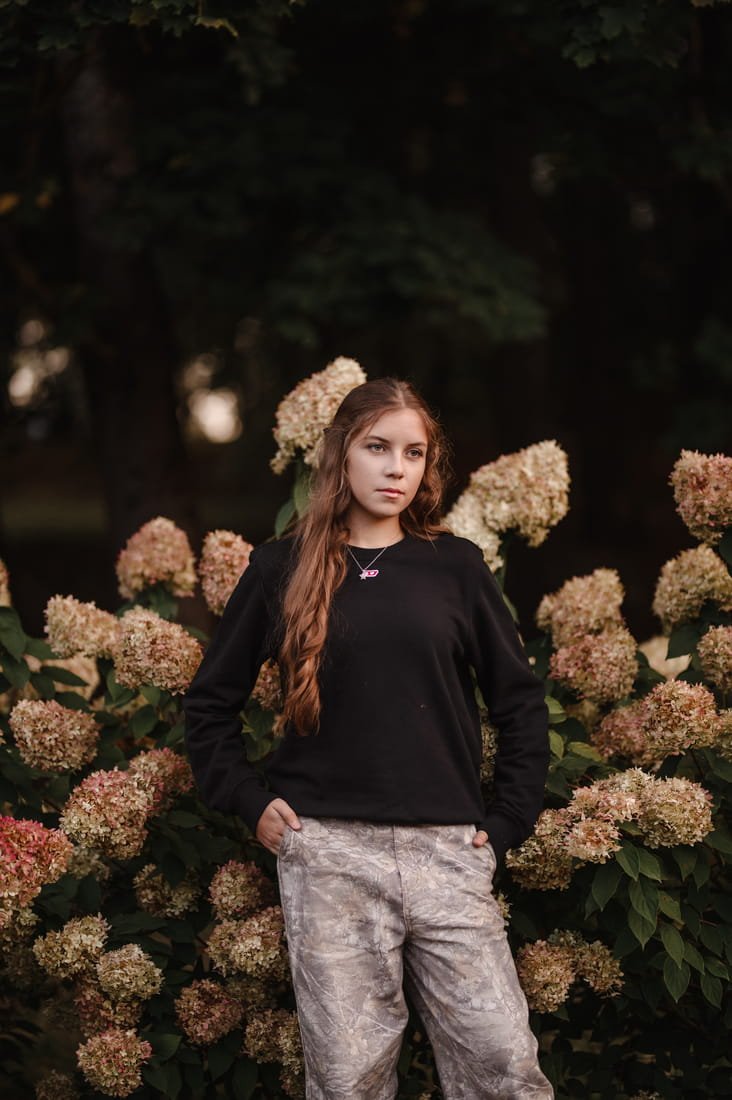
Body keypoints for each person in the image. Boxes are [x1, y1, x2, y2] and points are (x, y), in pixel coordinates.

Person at [183, 377, 554, 1100]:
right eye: (378, 447)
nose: (396, 468)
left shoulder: (456, 567)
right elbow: (209, 705)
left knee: (504, 1064)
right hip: (328, 855)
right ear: (341, 455)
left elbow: (519, 700)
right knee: (349, 1078)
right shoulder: (279, 568)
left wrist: (509, 819)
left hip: (449, 852)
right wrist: (249, 801)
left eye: (414, 453)